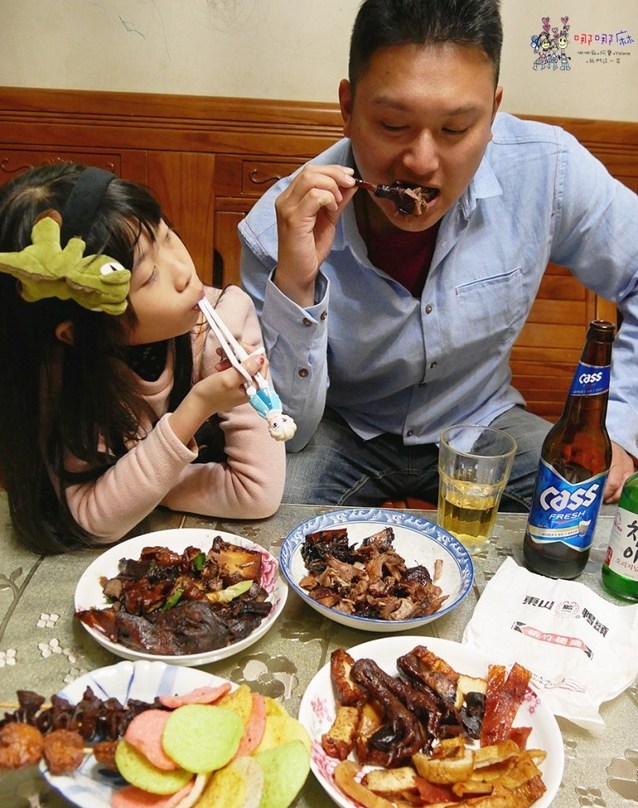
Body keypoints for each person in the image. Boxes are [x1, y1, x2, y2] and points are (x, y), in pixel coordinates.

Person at [238, 0, 638, 510]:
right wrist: (295, 286)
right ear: (348, 109)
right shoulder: (276, 229)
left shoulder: (547, 171)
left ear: (492, 114)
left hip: (480, 421)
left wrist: (619, 428)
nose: (421, 162)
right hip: (340, 428)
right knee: (264, 511)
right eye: (392, 124)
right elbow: (286, 427)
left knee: (593, 503)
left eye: (455, 130)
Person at [0, 162, 285, 554]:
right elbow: (90, 519)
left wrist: (132, 490)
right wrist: (197, 406)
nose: (183, 271)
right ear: (77, 333)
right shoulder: (64, 376)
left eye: (167, 236)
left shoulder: (224, 326)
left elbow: (257, 493)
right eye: (149, 276)